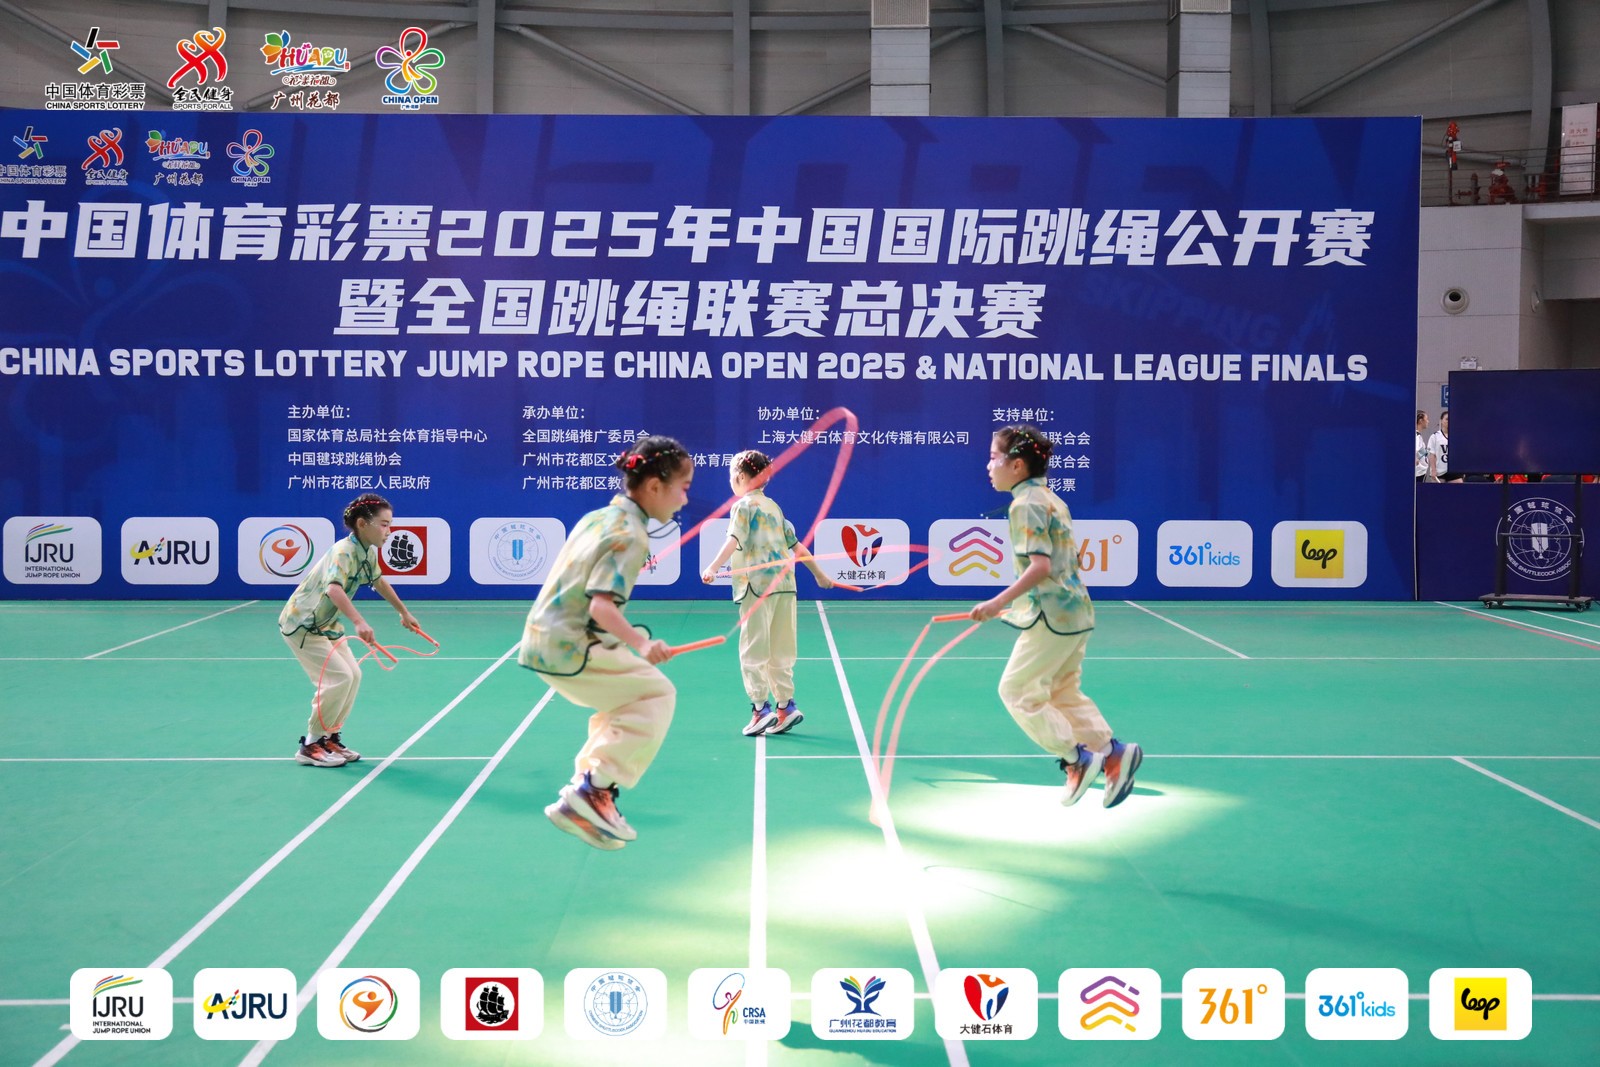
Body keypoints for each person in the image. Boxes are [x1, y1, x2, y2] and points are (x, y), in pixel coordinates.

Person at [520, 436, 694, 850]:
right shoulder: (631, 534)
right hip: (570, 645)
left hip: (541, 639)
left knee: (624, 703)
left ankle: (589, 792)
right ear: (655, 486)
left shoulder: (598, 517)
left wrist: (624, 643)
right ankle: (592, 789)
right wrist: (641, 645)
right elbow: (600, 605)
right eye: (683, 488)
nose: (685, 500)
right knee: (657, 693)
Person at [969, 425, 1141, 808]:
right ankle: (1112, 754)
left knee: (1016, 692)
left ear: (1016, 465)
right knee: (1062, 692)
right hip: (1076, 613)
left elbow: (1041, 567)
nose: (989, 466)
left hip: (1051, 617)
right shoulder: (1050, 499)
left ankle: (1076, 758)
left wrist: (997, 602)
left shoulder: (1024, 505)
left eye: (994, 458)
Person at [279, 493, 421, 768]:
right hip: (304, 624)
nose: (389, 531)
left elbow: (378, 582)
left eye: (390, 525)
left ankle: (329, 737)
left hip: (327, 624)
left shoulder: (367, 551)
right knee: (339, 678)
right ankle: (310, 745)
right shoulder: (343, 551)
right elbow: (334, 589)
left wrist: (403, 612)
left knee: (353, 675)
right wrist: (359, 621)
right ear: (362, 524)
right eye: (384, 524)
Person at [700, 449, 834, 737]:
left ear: (740, 476)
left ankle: (761, 710)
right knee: (781, 649)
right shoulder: (773, 507)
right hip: (785, 586)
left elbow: (733, 539)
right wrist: (820, 575)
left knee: (754, 649)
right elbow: (797, 547)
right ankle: (786, 706)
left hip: (757, 587)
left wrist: (712, 567)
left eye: (731, 475)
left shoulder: (743, 506)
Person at [1427, 409, 1462, 482]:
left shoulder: (1457, 436)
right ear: (1441, 421)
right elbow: (1432, 455)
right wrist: (1433, 470)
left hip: (1453, 470)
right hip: (1439, 471)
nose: (1449, 421)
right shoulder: (1435, 436)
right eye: (1447, 419)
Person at [1415, 410, 1434, 482]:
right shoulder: (1416, 436)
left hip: (1421, 471)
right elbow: (1415, 449)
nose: (1428, 421)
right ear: (1420, 421)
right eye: (1427, 419)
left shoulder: (1418, 436)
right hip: (1418, 472)